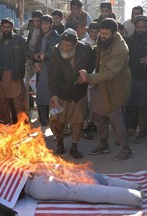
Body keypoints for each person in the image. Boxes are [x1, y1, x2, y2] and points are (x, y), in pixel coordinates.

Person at [78, 18, 133, 160]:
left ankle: (126, 149)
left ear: (114, 33)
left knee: (116, 119)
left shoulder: (120, 48)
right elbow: (98, 52)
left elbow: (110, 72)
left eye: (105, 34)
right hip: (101, 84)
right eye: (101, 33)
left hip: (115, 87)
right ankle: (103, 144)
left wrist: (89, 78)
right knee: (98, 114)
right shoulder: (103, 41)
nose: (101, 36)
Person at [48, 28, 96, 159]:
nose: (65, 47)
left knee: (78, 122)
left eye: (68, 45)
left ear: (76, 44)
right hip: (60, 94)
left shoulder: (86, 49)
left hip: (78, 93)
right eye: (63, 44)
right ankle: (60, 143)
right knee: (56, 120)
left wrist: (87, 74)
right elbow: (52, 75)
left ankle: (74, 146)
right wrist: (54, 96)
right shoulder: (56, 51)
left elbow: (93, 62)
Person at [0, 18, 34, 124]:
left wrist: (36, 57)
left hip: (15, 76)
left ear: (12, 28)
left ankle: (23, 126)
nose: (6, 29)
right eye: (4, 27)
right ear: (1, 28)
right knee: (2, 104)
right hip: (2, 77)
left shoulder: (19, 40)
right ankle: (6, 125)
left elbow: (28, 53)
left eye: (8, 27)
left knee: (19, 104)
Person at [125, 15, 147, 140]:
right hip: (132, 78)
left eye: (143, 27)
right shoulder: (128, 41)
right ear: (135, 27)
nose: (140, 29)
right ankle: (130, 129)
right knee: (132, 105)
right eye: (138, 27)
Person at [33, 15, 61, 127]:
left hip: (52, 72)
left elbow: (58, 52)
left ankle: (56, 125)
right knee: (41, 96)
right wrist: (35, 62)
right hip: (41, 71)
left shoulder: (57, 37)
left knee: (53, 97)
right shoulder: (40, 37)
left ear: (51, 24)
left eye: (46, 23)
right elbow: (35, 53)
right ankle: (44, 122)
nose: (44, 26)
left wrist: (46, 55)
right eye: (42, 23)